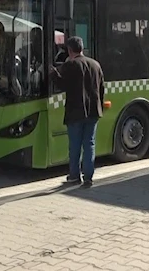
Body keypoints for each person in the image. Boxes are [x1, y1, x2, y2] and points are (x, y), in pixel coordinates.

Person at [50, 36, 105, 188]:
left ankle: (74, 176)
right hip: (93, 111)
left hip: (75, 111)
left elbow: (62, 85)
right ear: (82, 48)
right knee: (89, 144)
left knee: (75, 145)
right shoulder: (95, 64)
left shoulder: (71, 65)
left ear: (69, 50)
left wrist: (53, 73)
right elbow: (101, 89)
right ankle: (88, 177)